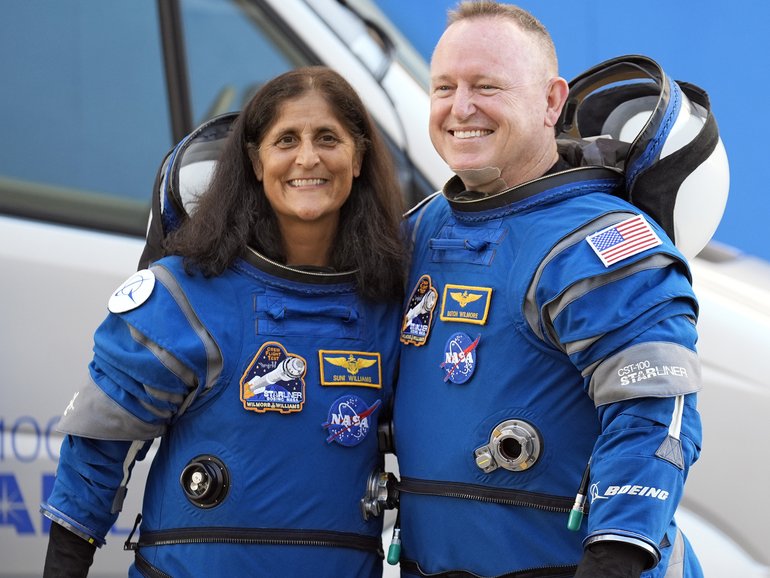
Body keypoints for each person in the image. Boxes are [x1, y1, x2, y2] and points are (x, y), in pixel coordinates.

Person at [41, 66, 407, 577]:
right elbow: (99, 451)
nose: (308, 158)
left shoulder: (390, 304)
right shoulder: (184, 297)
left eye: (329, 138)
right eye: (286, 140)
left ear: (359, 157)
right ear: (256, 162)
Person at [390, 2, 706, 577]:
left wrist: (616, 555)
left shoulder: (602, 240)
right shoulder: (423, 228)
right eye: (444, 87)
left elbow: (658, 412)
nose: (461, 108)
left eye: (487, 85)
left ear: (551, 101)